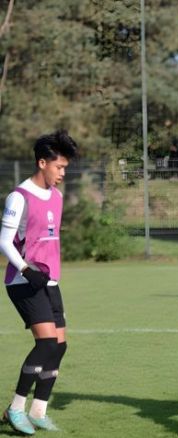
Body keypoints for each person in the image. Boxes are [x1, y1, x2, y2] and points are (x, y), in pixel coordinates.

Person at [0, 130, 77, 435]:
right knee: (45, 343)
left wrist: (50, 275)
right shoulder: (18, 197)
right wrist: (26, 269)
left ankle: (39, 410)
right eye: (59, 167)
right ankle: (15, 409)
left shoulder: (56, 198)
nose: (62, 173)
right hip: (22, 281)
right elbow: (5, 241)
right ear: (42, 162)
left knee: (59, 346)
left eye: (65, 169)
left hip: (50, 282)